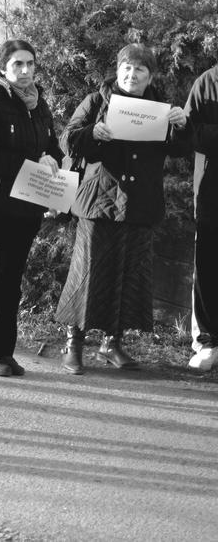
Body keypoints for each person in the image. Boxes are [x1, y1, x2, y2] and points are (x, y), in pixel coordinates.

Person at [55, 44, 190, 374]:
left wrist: (181, 125)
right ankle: (73, 343)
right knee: (87, 273)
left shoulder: (162, 109)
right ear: (118, 70)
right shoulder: (96, 101)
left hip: (140, 205)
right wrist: (92, 132)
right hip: (98, 201)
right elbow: (67, 140)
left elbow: (181, 150)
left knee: (127, 275)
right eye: (126, 68)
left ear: (150, 76)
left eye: (140, 69)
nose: (132, 74)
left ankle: (112, 344)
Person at [0, 40, 64, 377]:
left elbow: (51, 146)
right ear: (2, 68)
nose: (25, 71)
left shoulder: (38, 103)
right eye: (17, 64)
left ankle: (5, 352)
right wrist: (34, 159)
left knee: (12, 282)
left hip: (29, 204)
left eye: (30, 64)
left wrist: (53, 161)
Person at [179, 67, 218, 372]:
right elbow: (188, 132)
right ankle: (207, 343)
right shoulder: (207, 82)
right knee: (207, 265)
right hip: (211, 192)